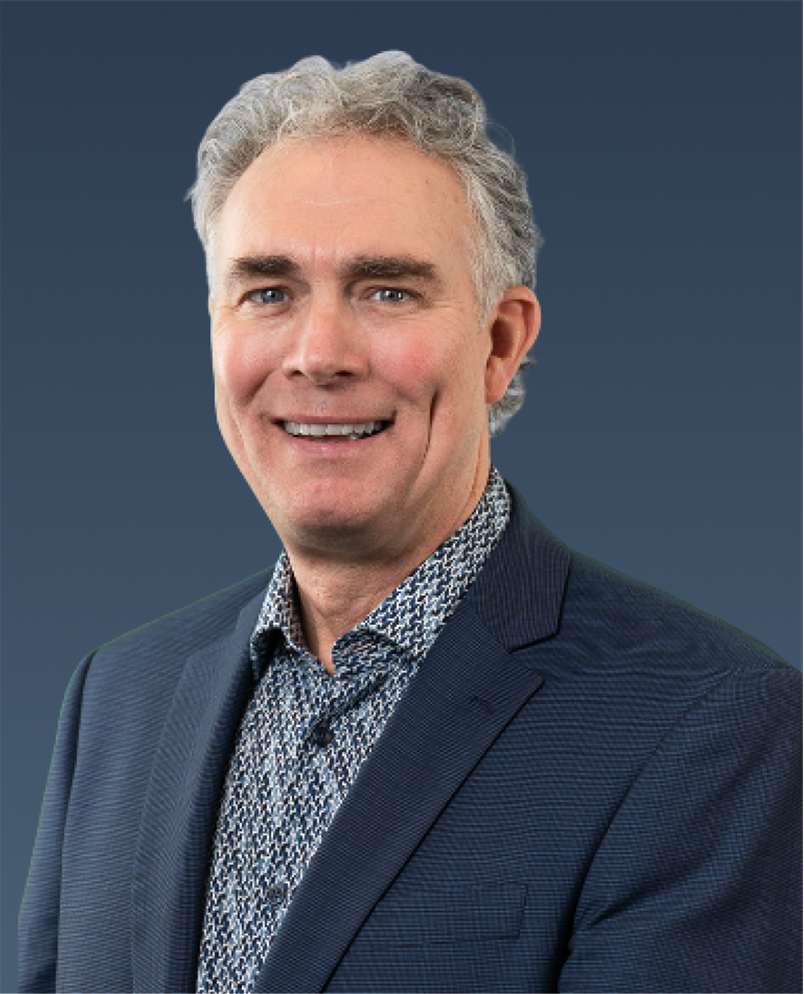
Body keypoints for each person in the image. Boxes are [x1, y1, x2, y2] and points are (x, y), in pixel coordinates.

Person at [19, 52, 800, 994]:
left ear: (500, 343)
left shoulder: (706, 725)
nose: (318, 354)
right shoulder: (116, 697)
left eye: (387, 290)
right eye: (268, 291)